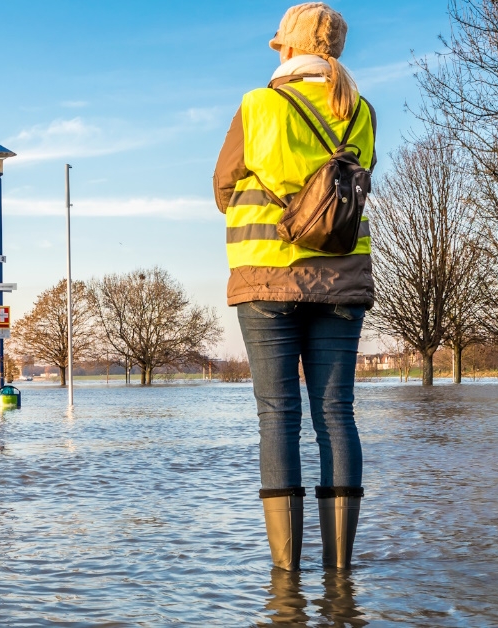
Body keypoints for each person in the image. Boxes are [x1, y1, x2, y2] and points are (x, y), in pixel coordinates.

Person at [213, 2, 376, 571]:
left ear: (286, 47)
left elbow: (222, 183)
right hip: (344, 280)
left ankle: (285, 576)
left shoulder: (258, 104)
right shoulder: (359, 110)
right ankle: (340, 572)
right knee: (337, 412)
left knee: (278, 414)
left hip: (266, 276)